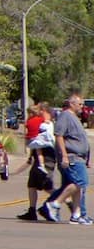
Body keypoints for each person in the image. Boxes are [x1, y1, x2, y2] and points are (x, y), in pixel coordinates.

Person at [43, 93, 91, 225]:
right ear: (72, 104)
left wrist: (87, 158)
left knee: (78, 186)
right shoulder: (65, 116)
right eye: (80, 104)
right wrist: (64, 155)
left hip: (79, 158)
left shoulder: (74, 117)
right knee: (80, 182)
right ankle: (55, 204)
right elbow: (59, 136)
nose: (82, 107)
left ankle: (76, 215)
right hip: (71, 157)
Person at [18, 103, 57, 220]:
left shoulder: (44, 124)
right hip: (38, 158)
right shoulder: (39, 123)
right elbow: (34, 143)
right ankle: (32, 211)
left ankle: (66, 202)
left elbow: (39, 141)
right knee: (32, 185)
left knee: (47, 186)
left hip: (46, 158)